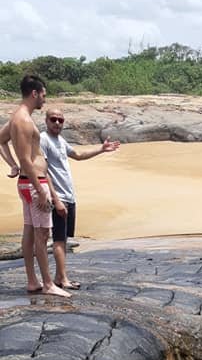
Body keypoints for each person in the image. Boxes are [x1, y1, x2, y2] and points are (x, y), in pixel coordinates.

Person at [0, 75, 70, 296]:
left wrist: (11, 165)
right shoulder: (23, 120)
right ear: (34, 93)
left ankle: (32, 281)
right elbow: (26, 160)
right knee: (43, 233)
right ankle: (48, 284)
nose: (44, 100)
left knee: (30, 230)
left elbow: (1, 140)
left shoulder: (17, 118)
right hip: (35, 184)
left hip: (28, 184)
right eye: (43, 95)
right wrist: (41, 191)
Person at [39, 109, 120, 290]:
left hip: (69, 195)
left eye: (61, 120)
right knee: (59, 239)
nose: (58, 123)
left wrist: (101, 149)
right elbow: (43, 172)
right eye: (54, 119)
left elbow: (77, 155)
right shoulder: (43, 139)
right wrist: (55, 199)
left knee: (65, 239)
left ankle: (60, 277)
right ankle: (64, 279)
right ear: (46, 120)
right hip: (59, 197)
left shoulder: (60, 141)